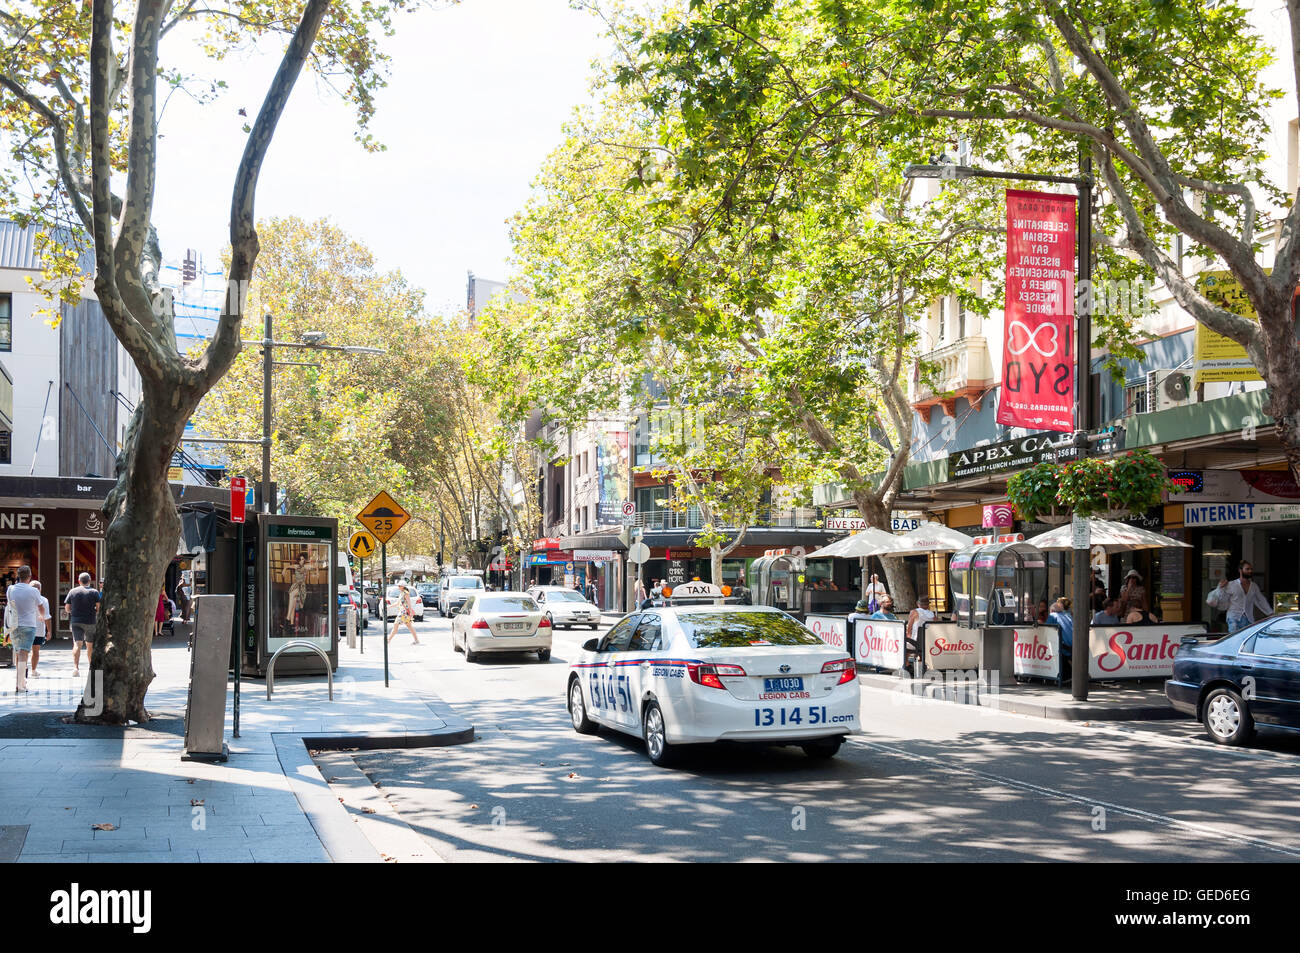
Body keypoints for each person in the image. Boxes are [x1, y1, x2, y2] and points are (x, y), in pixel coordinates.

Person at [1207, 561, 1272, 633]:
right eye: (1247, 569)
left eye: (1251, 569)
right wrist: (1221, 588)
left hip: (1249, 619)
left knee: (1247, 641)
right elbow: (1222, 599)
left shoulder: (1254, 586)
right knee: (1235, 641)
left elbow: (1261, 600)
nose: (1250, 571)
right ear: (1240, 570)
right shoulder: (1231, 584)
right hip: (1234, 618)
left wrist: (1270, 613)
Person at [6, 566, 41, 693]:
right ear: (30, 576)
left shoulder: (10, 589)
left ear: (18, 576)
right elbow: (40, 606)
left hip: (14, 624)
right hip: (29, 625)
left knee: (18, 652)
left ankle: (21, 681)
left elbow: (10, 604)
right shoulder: (34, 591)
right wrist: (42, 615)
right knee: (23, 653)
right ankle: (20, 684)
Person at [65, 572, 100, 677]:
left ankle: (75, 668)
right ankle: (91, 668)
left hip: (76, 621)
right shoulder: (94, 592)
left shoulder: (72, 591)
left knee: (77, 644)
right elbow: (98, 607)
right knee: (90, 645)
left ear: (79, 581)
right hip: (90, 621)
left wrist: (74, 612)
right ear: (89, 581)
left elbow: (67, 608)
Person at [29, 580, 52, 677]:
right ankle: (33, 671)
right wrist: (49, 631)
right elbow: (47, 617)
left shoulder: (26, 599)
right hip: (38, 629)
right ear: (40, 589)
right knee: (35, 651)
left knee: (22, 651)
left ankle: (21, 671)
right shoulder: (44, 600)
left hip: (25, 627)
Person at [387, 581, 421, 645]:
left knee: (396, 625)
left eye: (399, 586)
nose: (398, 587)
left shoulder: (406, 593)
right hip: (403, 612)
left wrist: (410, 612)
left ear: (403, 586)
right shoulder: (401, 593)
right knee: (409, 626)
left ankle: (388, 640)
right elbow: (398, 603)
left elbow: (409, 603)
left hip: (404, 612)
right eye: (398, 586)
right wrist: (389, 607)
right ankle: (416, 640)